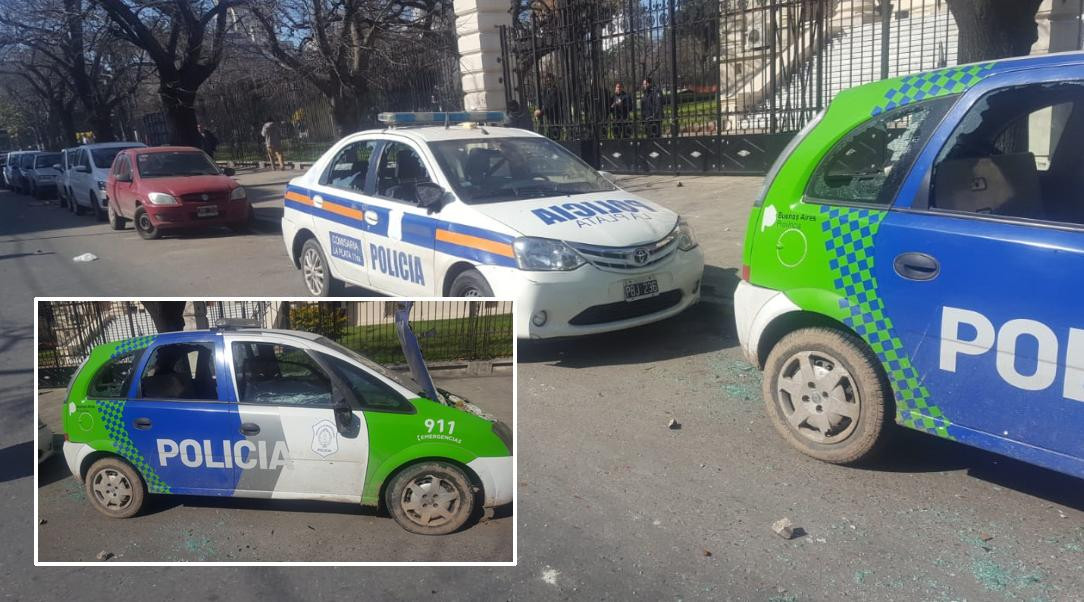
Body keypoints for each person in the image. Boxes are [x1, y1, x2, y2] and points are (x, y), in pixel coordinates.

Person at [534, 73, 562, 140]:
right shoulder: (544, 91)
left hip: (554, 118)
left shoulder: (556, 91)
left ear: (553, 81)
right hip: (546, 118)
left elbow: (550, 104)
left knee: (554, 138)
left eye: (550, 80)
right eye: (547, 80)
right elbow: (542, 102)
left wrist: (541, 112)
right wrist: (538, 109)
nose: (548, 82)